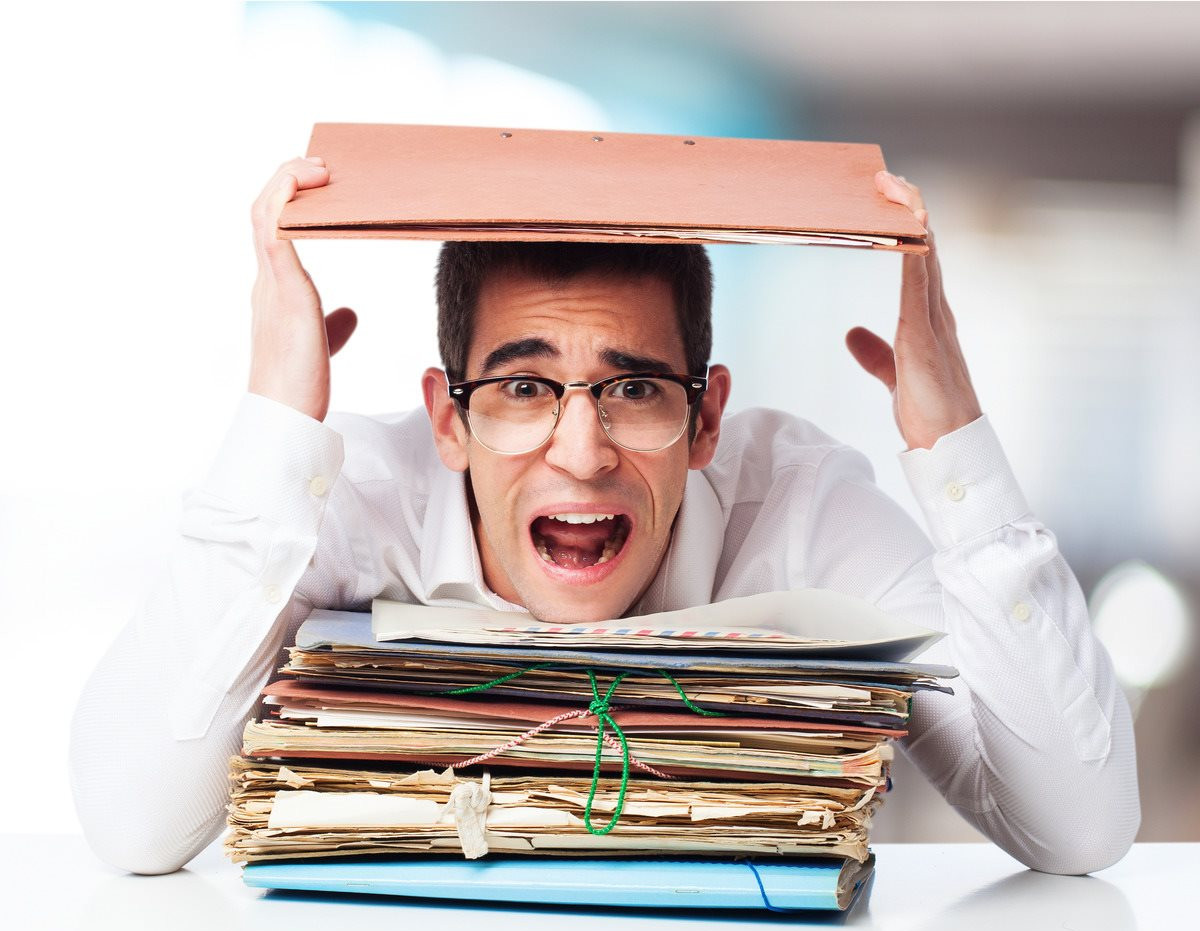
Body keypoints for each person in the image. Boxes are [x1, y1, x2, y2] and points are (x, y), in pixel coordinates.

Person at [69, 157, 1139, 876]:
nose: (581, 455)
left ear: (708, 416)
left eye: (633, 390)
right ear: (448, 421)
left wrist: (956, 448)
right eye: (525, 390)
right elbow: (132, 822)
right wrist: (272, 424)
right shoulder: (357, 500)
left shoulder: (803, 509)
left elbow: (1079, 830)